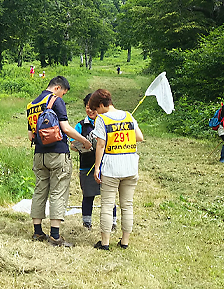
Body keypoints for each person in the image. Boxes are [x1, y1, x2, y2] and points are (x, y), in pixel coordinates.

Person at [26, 76, 92, 247]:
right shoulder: (55, 100)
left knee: (40, 190)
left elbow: (30, 136)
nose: (62, 96)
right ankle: (55, 236)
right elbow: (65, 128)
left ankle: (37, 231)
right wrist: (84, 141)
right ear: (57, 88)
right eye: (63, 93)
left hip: (39, 154)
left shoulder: (31, 105)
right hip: (57, 154)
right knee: (58, 191)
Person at [90, 89, 144, 251]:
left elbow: (100, 144)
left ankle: (105, 242)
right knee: (127, 205)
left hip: (112, 167)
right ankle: (125, 241)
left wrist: (97, 167)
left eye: (96, 109)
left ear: (101, 105)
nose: (96, 112)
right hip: (130, 165)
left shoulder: (102, 119)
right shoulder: (128, 115)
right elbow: (139, 137)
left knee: (107, 204)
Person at [73, 93, 117, 231]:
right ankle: (87, 223)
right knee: (88, 195)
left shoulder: (107, 122)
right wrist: (82, 145)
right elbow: (72, 144)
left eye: (93, 108)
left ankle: (112, 222)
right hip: (86, 166)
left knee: (109, 197)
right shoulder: (80, 125)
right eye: (87, 107)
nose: (90, 110)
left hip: (107, 166)